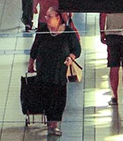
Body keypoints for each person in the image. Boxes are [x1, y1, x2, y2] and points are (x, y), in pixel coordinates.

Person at [27, 7, 82, 137]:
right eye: (46, 16)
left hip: (60, 72)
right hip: (44, 71)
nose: (47, 19)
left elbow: (77, 49)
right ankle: (49, 119)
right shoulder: (42, 31)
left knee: (58, 98)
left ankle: (54, 124)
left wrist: (71, 57)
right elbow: (34, 49)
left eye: (49, 16)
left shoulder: (67, 32)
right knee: (46, 96)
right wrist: (31, 64)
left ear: (58, 18)